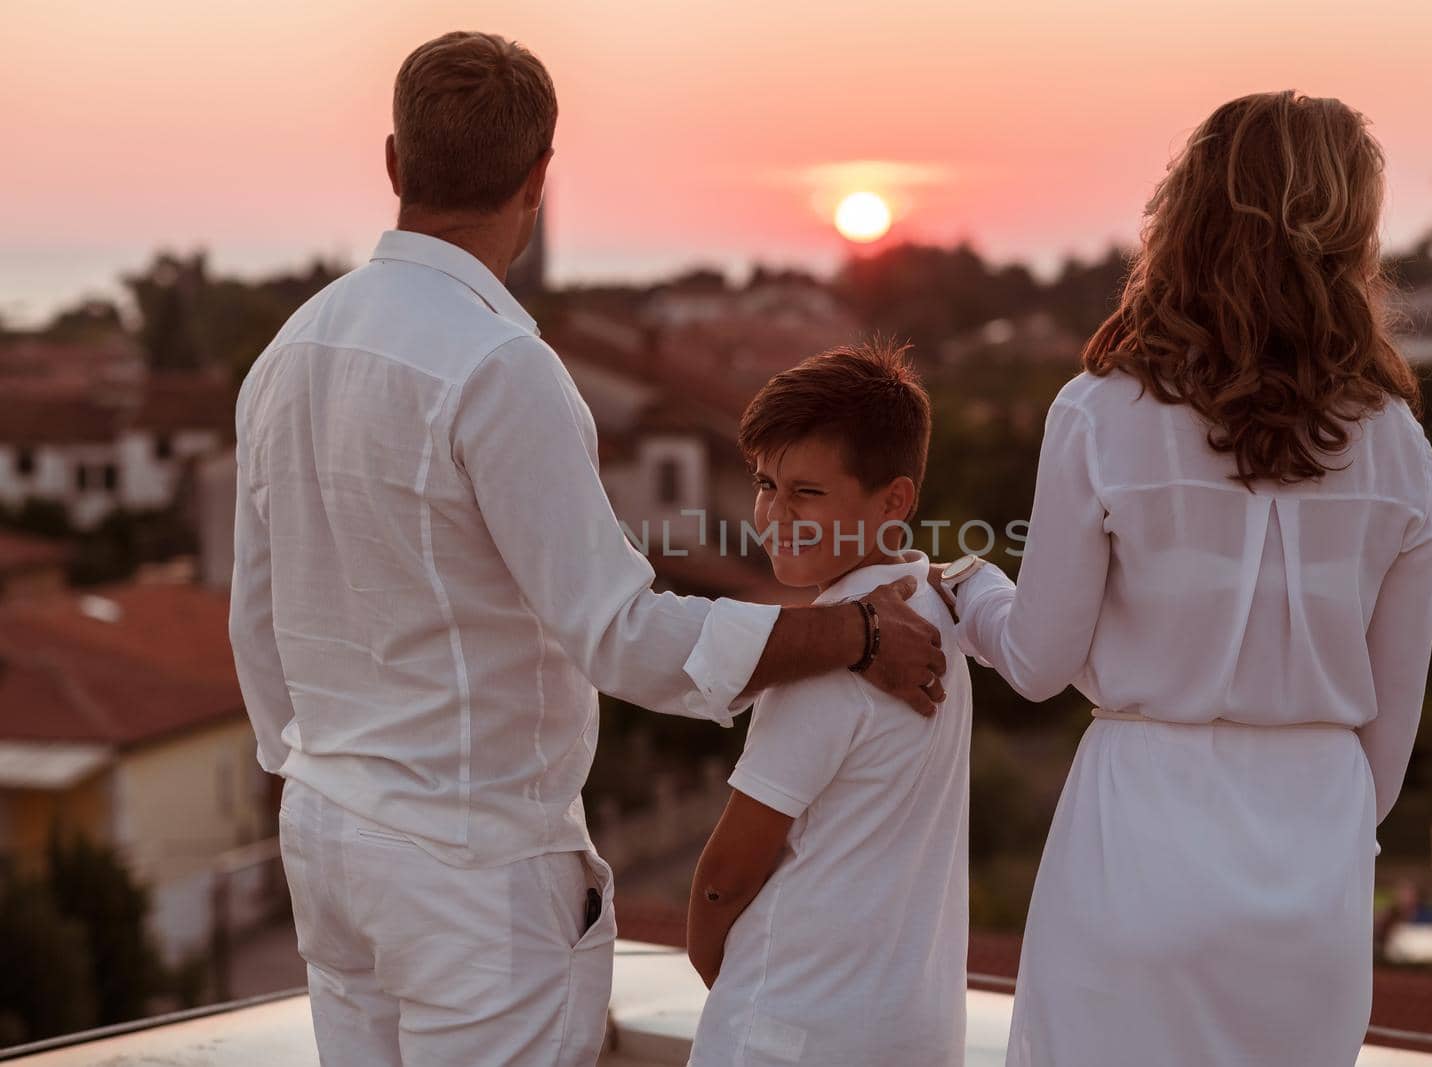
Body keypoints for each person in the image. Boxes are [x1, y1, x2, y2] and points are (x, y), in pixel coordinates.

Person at [228, 31, 946, 1067]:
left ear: (394, 162)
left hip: (330, 839)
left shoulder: (287, 352)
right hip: (470, 869)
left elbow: (256, 615)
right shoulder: (499, 367)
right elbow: (619, 632)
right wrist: (850, 630)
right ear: (538, 178)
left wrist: (308, 776)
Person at [932, 91, 1432, 1067]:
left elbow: (1038, 660)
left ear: (1188, 212)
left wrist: (969, 586)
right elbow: (1385, 758)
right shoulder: (1398, 444)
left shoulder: (1099, 410)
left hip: (1140, 844)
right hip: (1313, 883)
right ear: (1352, 232)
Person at [686, 342, 972, 1067]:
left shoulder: (840, 651)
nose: (774, 513)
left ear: (894, 500)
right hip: (912, 1034)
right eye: (764, 483)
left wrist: (746, 997)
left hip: (791, 1033)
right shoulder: (940, 615)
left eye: (806, 492)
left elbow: (724, 879)